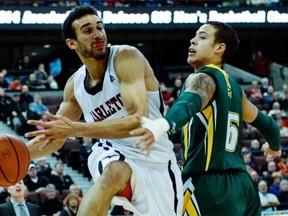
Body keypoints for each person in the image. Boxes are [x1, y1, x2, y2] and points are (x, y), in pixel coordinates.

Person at [24, 4, 182, 216]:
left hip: (157, 160)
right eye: (88, 30)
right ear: (72, 43)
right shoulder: (75, 85)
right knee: (115, 171)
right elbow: (55, 136)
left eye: (100, 27)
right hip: (111, 151)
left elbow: (137, 121)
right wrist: (19, 154)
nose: (98, 34)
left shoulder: (126, 57)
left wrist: (74, 129)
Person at [129, 21, 282, 215]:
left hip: (210, 186)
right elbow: (269, 126)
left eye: (202, 37)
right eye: (195, 36)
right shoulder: (235, 89)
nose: (193, 40)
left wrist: (161, 124)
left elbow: (189, 101)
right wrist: (274, 147)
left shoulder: (203, 78)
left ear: (220, 48)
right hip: (243, 186)